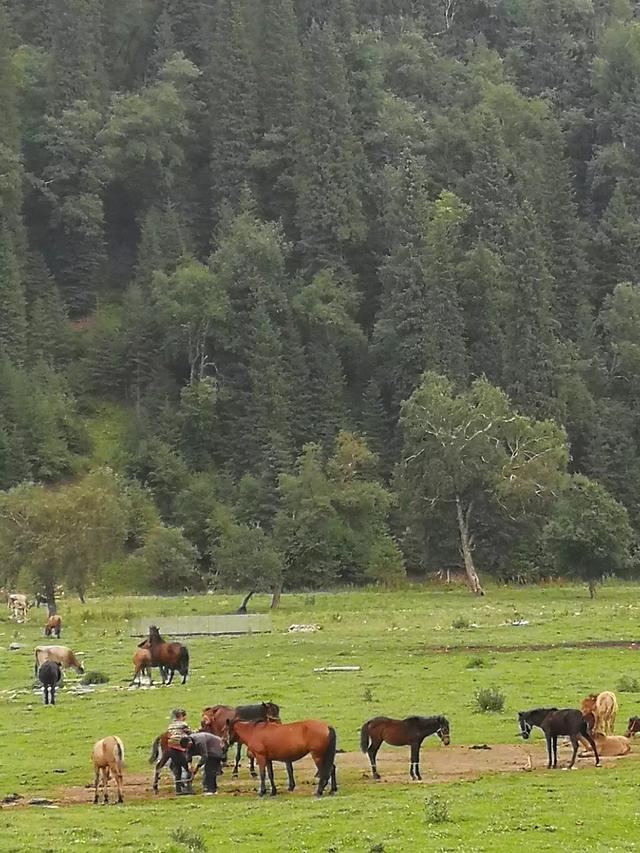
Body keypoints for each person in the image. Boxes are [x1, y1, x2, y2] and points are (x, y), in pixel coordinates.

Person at [167, 708, 194, 795]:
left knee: (177, 768)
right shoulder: (183, 724)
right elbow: (190, 733)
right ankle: (188, 787)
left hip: (171, 748)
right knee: (188, 768)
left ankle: (178, 789)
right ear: (181, 716)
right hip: (180, 748)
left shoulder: (170, 725)